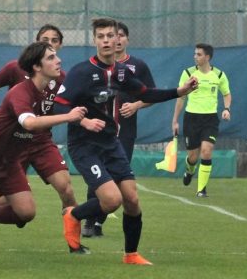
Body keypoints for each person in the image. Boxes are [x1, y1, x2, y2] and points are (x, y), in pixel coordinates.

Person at [54, 18, 197, 265]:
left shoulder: (121, 72)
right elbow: (60, 105)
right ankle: (74, 215)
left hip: (110, 142)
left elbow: (145, 93)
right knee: (111, 200)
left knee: (131, 199)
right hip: (84, 146)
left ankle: (131, 255)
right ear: (95, 40)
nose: (107, 41)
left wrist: (179, 91)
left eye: (111, 36)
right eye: (101, 36)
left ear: (119, 39)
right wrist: (84, 121)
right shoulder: (82, 72)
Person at [0, 41, 88, 268]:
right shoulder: (20, 91)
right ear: (36, 66)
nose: (58, 60)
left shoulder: (52, 88)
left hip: (10, 162)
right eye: (51, 58)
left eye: (56, 55)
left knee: (26, 213)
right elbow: (30, 122)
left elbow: (74, 100)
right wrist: (68, 117)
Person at [82, 21, 156, 238]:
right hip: (101, 130)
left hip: (125, 131)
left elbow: (150, 95)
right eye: (113, 35)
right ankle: (89, 220)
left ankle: (98, 221)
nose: (117, 39)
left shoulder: (137, 66)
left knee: (116, 175)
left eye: (121, 35)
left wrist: (136, 105)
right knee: (98, 174)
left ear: (125, 40)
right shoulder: (95, 68)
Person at [171, 43, 231, 197]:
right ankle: (190, 171)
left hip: (210, 119)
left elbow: (226, 93)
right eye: (195, 54)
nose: (195, 57)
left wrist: (226, 109)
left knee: (206, 151)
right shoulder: (188, 73)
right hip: (191, 118)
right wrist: (175, 120)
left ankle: (201, 189)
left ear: (207, 57)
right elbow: (181, 97)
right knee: (193, 156)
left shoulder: (218, 75)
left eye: (199, 54)